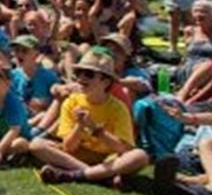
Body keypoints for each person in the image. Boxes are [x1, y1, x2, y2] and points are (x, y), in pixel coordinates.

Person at [30, 50, 151, 186]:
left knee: (140, 156)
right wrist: (79, 126)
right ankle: (100, 175)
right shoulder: (71, 102)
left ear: (105, 82)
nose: (81, 78)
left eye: (88, 74)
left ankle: (72, 175)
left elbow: (123, 149)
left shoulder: (118, 108)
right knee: (36, 144)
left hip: (108, 158)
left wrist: (96, 130)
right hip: (78, 156)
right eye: (78, 73)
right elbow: (69, 148)